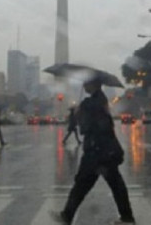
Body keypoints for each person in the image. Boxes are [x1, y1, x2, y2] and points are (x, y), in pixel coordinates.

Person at [51, 77, 135, 224]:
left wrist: (79, 111)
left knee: (84, 185)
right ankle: (127, 218)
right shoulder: (98, 100)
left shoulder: (93, 102)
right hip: (102, 150)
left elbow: (87, 127)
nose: (84, 85)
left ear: (95, 84)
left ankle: (67, 216)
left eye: (87, 83)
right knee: (110, 185)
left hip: (97, 152)